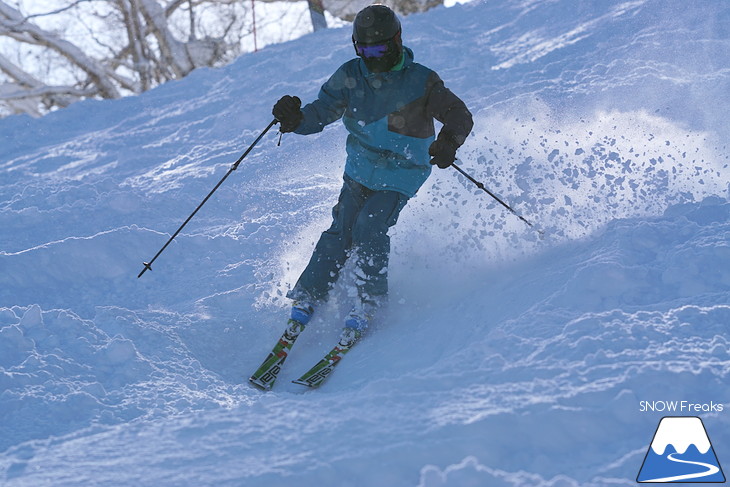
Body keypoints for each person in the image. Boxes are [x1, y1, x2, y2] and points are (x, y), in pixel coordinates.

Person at [272, 4, 473, 344]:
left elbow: (459, 114)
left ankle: (369, 302)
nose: (373, 57)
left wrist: (448, 141)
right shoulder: (351, 76)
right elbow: (321, 111)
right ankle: (310, 294)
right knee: (342, 230)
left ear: (396, 40)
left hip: (403, 169)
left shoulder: (420, 81)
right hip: (361, 167)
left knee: (370, 226)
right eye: (364, 51)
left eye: (380, 49)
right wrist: (294, 120)